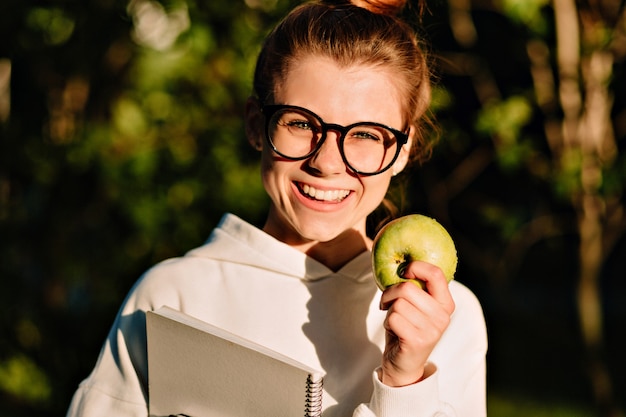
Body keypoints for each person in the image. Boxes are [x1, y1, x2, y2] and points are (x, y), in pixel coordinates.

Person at [66, 0, 488, 415]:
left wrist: (405, 386)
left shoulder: (447, 319)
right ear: (256, 125)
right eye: (302, 124)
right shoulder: (168, 299)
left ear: (402, 149)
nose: (326, 162)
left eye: (366, 134)